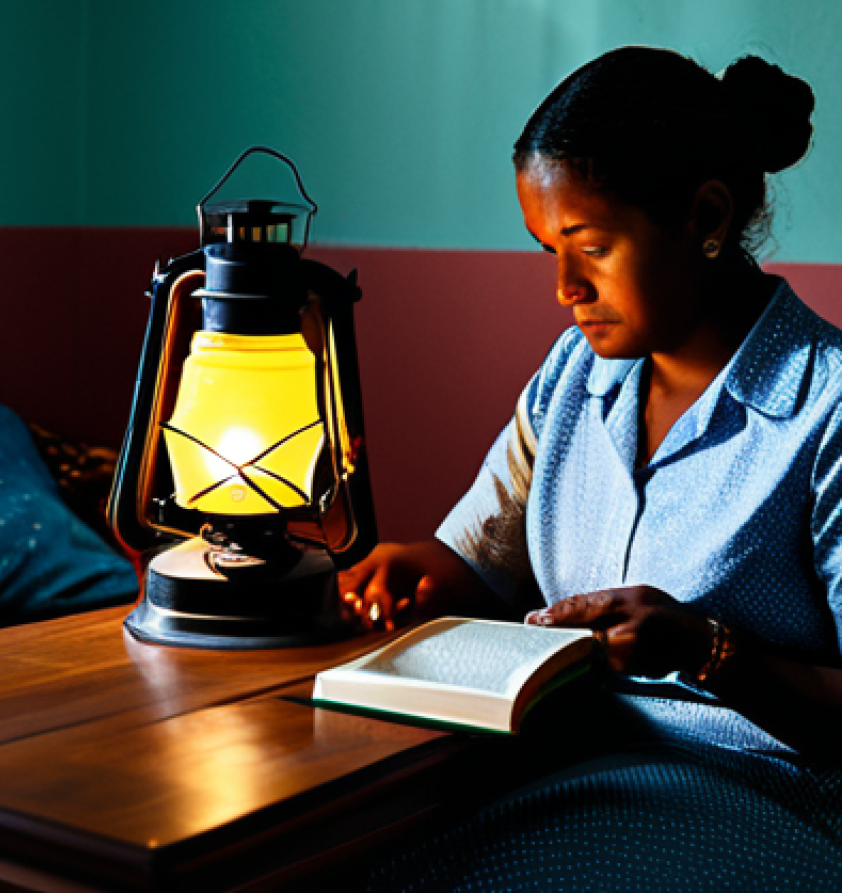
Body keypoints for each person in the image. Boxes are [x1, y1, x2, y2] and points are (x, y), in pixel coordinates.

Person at [338, 46, 842, 891]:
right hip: (573, 759)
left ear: (707, 218)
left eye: (592, 246)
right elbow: (475, 564)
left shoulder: (824, 408)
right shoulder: (576, 378)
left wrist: (706, 648)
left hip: (766, 797)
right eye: (548, 252)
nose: (566, 287)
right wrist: (402, 573)